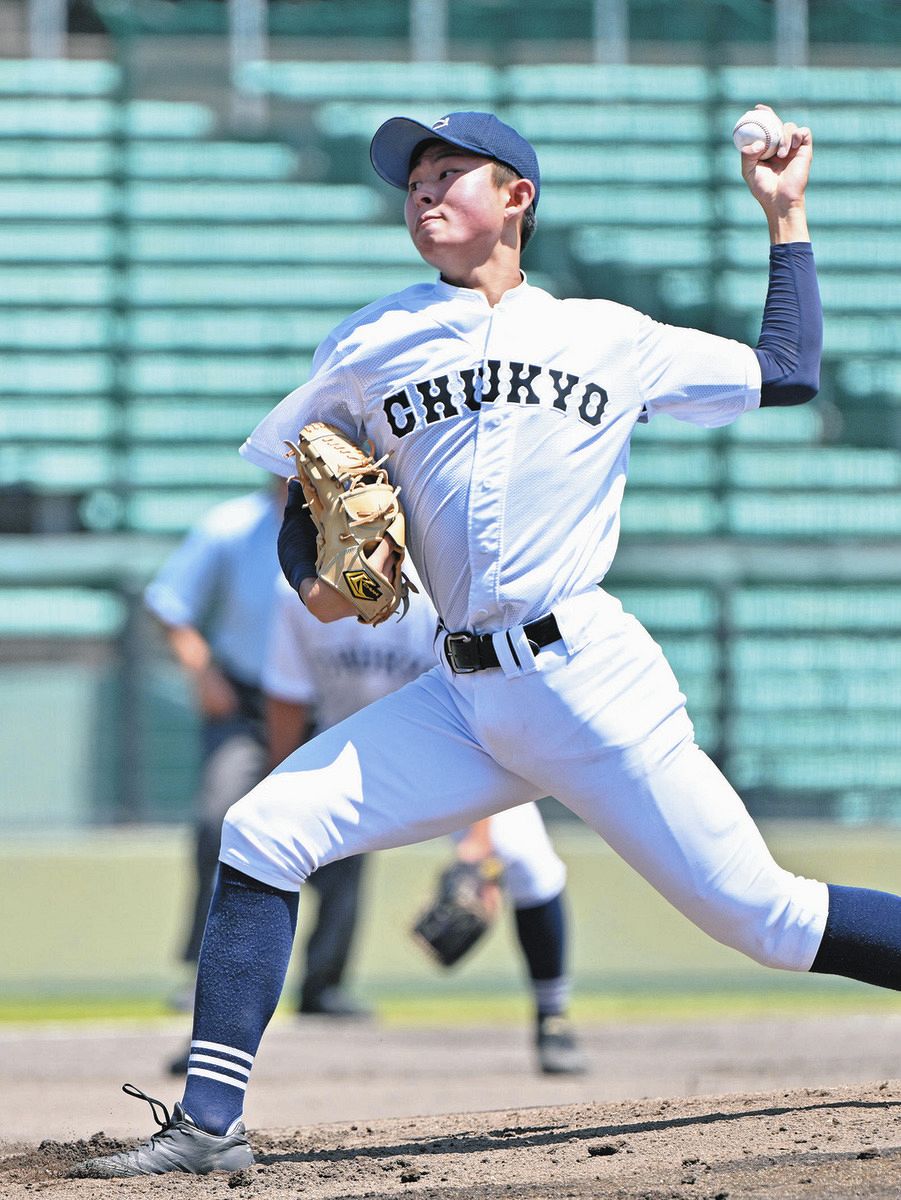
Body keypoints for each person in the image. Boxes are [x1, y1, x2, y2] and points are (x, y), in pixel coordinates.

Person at [74, 105, 901, 1179]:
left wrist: (784, 218)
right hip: (461, 694)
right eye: (411, 177)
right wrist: (311, 579)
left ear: (517, 198)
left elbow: (784, 367)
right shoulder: (371, 340)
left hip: (588, 680)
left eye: (449, 171)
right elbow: (301, 491)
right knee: (264, 830)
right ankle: (207, 1125)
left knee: (771, 922)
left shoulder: (609, 335)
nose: (421, 190)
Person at [263, 572, 587, 1075]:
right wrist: (277, 789)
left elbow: (478, 709)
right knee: (257, 841)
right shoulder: (295, 594)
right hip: (347, 752)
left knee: (528, 861)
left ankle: (553, 1018)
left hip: (455, 745)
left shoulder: (431, 592)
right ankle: (218, 1030)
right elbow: (287, 697)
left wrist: (478, 849)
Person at [143, 481, 370, 1065]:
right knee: (220, 815)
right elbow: (170, 605)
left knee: (350, 832)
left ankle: (325, 981)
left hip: (328, 700)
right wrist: (202, 672)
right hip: (246, 704)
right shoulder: (229, 525)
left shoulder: (354, 528)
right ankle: (203, 972)